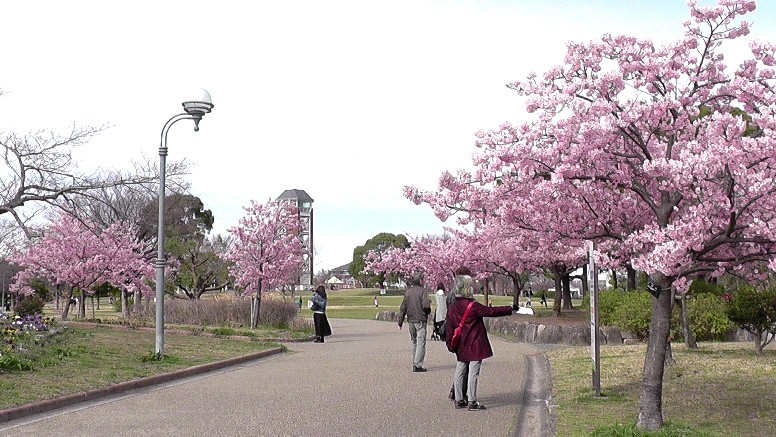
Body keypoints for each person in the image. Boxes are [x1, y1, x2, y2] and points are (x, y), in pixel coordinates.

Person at [445, 272, 513, 411]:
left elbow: (449, 326)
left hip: (460, 344)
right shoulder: (472, 306)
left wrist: (449, 343)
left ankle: (459, 399)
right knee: (473, 373)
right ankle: (472, 401)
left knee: (460, 370)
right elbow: (491, 311)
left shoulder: (453, 306)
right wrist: (510, 309)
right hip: (474, 343)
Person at [397, 271, 431, 372]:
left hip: (411, 319)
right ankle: (418, 364)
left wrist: (400, 321)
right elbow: (426, 306)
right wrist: (428, 310)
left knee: (414, 341)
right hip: (420, 319)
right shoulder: (423, 291)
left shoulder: (408, 292)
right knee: (421, 342)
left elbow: (403, 307)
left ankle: (414, 362)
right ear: (420, 280)